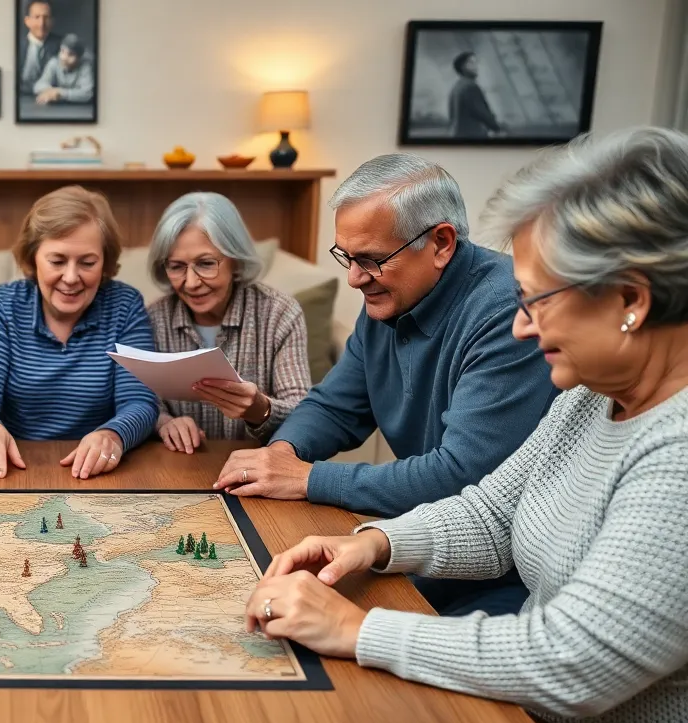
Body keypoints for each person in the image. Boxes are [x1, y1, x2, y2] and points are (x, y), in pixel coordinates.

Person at [244, 126, 688, 723]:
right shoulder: (591, 397)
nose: (521, 326)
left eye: (536, 300)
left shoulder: (678, 450)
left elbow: (573, 663)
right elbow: (491, 512)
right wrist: (372, 542)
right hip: (529, 707)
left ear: (631, 301)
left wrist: (359, 630)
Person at [217, 153, 557, 617]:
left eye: (371, 260)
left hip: (500, 576)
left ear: (440, 242)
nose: (355, 278)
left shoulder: (507, 314)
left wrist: (311, 477)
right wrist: (284, 452)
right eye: (347, 258)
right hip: (423, 541)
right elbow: (336, 406)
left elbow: (461, 476)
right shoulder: (390, 295)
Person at [0, 185, 158, 480]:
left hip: (99, 471)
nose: (72, 277)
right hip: (15, 467)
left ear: (105, 263)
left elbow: (140, 402)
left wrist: (113, 435)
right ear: (33, 258)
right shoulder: (4, 304)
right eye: (57, 261)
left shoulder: (124, 305)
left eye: (88, 263)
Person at [147, 192, 310, 451]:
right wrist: (163, 422)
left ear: (236, 259)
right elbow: (140, 400)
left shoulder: (279, 314)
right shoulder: (154, 318)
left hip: (256, 470)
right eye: (177, 266)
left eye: (206, 263)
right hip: (179, 467)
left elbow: (306, 418)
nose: (190, 283)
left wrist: (260, 409)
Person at [449, 51, 501, 139]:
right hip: (474, 135)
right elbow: (482, 112)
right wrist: (497, 128)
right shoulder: (470, 86)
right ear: (462, 67)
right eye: (471, 63)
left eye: (476, 62)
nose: (476, 66)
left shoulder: (456, 87)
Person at [34, 34, 95, 105]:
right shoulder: (54, 63)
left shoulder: (86, 67)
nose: (64, 58)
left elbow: (88, 94)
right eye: (62, 51)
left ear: (79, 57)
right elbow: (38, 86)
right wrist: (52, 92)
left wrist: (60, 93)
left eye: (71, 54)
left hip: (80, 110)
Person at [18, 0, 61, 96]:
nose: (42, 24)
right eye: (37, 17)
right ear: (27, 21)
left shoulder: (62, 46)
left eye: (46, 18)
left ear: (52, 21)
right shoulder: (15, 46)